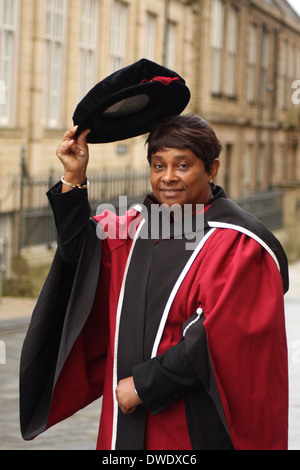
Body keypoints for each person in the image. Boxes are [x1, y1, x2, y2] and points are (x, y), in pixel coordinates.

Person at [20, 114, 289, 450]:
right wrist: (74, 176)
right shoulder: (134, 229)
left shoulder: (238, 244)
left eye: (182, 165)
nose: (168, 178)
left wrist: (142, 387)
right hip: (126, 424)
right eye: (158, 165)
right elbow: (79, 255)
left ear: (212, 168)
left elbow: (220, 340)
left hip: (189, 425)